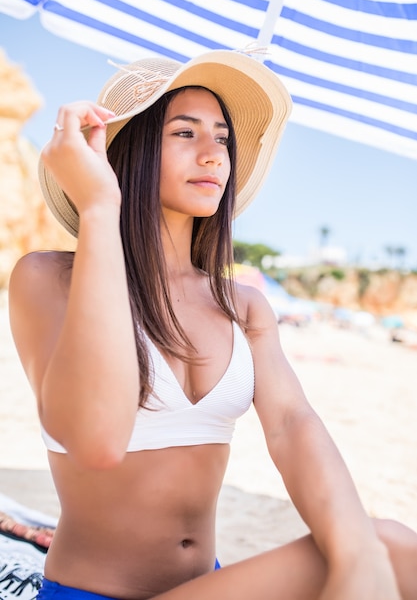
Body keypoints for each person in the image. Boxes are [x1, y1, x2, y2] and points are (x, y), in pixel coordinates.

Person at [8, 49, 417, 600]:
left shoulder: (240, 304)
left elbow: (292, 425)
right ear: (125, 150)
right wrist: (101, 206)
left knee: (389, 548)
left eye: (223, 139)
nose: (214, 155)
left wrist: (355, 552)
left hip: (209, 584)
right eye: (186, 133)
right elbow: (97, 442)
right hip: (93, 593)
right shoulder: (48, 279)